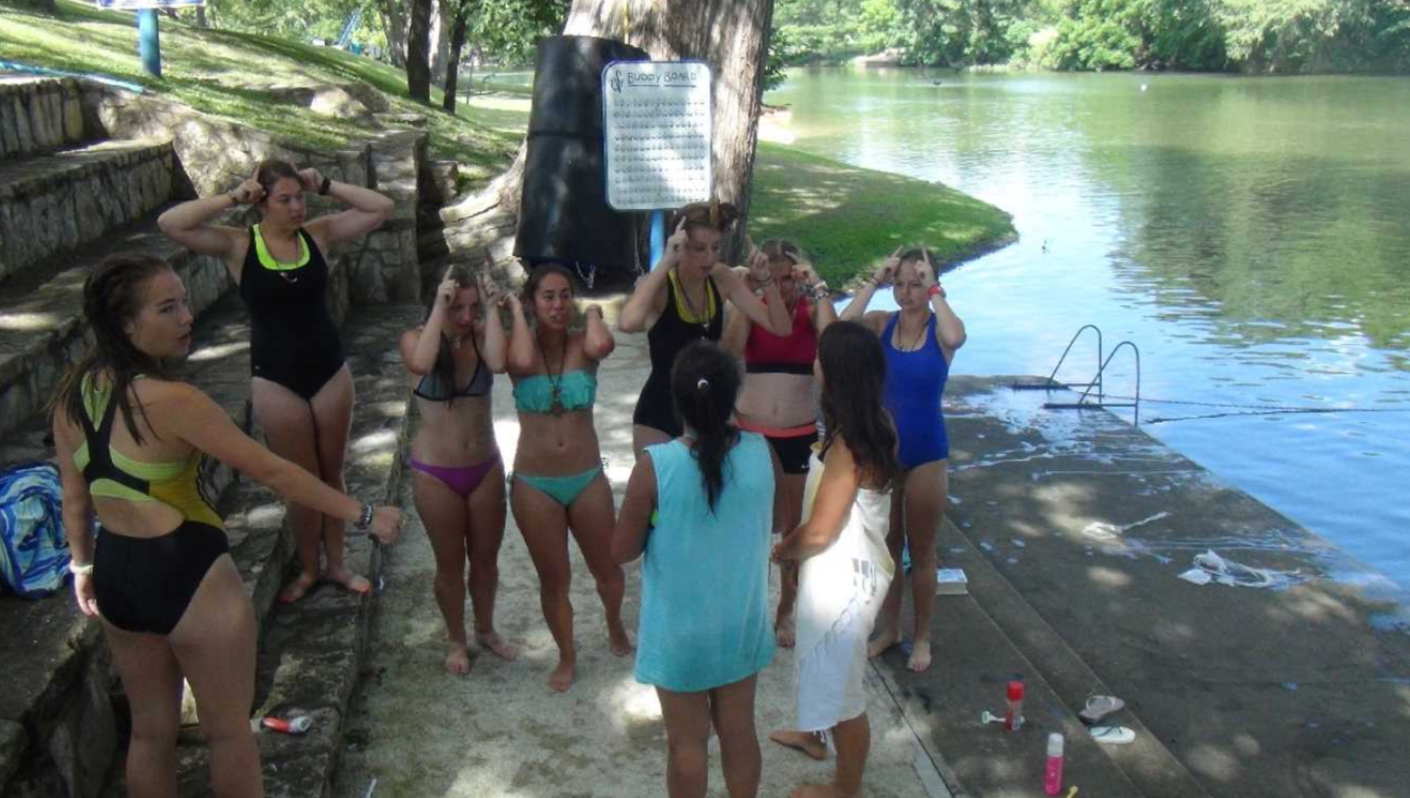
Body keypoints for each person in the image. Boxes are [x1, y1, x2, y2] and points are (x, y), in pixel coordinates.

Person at [51, 254, 402, 798]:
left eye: (184, 301)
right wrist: (364, 514)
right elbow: (272, 470)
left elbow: (76, 499)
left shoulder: (71, 395)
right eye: (167, 308)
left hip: (118, 571)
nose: (187, 316)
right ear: (126, 325)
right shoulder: (175, 401)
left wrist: (82, 567)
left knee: (149, 734)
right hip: (190, 574)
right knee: (229, 733)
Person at [158, 160, 395, 603]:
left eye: (300, 197)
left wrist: (327, 183)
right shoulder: (239, 244)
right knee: (299, 481)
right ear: (262, 202)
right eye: (285, 200)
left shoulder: (318, 235)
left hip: (329, 371)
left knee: (332, 472)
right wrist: (232, 197)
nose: (297, 207)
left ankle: (337, 564)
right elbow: (171, 224)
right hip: (275, 378)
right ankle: (309, 568)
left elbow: (381, 207)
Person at [613, 340, 780, 798]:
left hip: (680, 633)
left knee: (686, 743)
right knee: (739, 732)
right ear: (733, 396)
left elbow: (621, 550)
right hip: (740, 623)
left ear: (677, 398)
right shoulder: (762, 452)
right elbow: (779, 519)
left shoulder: (655, 466)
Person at [483, 264, 631, 692]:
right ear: (532, 302)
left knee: (608, 568)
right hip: (535, 483)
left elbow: (603, 345)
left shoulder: (585, 343)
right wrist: (513, 310)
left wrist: (593, 313)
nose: (559, 304)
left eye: (566, 295)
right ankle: (567, 654)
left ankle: (614, 622)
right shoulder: (520, 349)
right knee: (555, 579)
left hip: (586, 477)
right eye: (547, 296)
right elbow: (516, 362)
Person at [769, 321, 902, 798]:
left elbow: (822, 530)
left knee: (843, 690)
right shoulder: (875, 423)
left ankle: (845, 788)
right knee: (820, 665)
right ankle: (811, 735)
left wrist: (785, 551)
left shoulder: (850, 445)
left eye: (820, 358)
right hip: (839, 568)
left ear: (836, 372)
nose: (813, 364)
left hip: (842, 579)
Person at [839, 247, 966, 673]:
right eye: (900, 284)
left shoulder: (941, 331)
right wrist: (875, 280)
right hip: (886, 453)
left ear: (930, 285)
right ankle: (890, 628)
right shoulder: (882, 324)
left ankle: (923, 636)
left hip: (927, 453)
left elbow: (956, 338)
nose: (906, 292)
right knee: (888, 547)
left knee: (923, 550)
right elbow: (842, 327)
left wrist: (935, 290)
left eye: (916, 284)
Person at [399, 265, 518, 675]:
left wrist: (491, 308)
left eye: (472, 307)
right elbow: (421, 363)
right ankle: (456, 639)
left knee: (486, 560)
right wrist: (439, 307)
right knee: (450, 565)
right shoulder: (416, 338)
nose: (466, 317)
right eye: (457, 308)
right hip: (437, 474)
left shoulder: (482, 336)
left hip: (485, 467)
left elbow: (499, 362)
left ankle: (485, 629)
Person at [721, 239, 835, 648]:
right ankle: (747, 609)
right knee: (749, 527)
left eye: (789, 278)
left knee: (793, 529)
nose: (783, 287)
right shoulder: (753, 309)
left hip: (798, 435)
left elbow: (835, 340)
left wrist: (817, 285)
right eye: (776, 278)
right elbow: (729, 350)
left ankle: (786, 609)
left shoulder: (809, 311)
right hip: (752, 433)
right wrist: (750, 294)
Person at [618, 201, 793, 458]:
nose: (709, 257)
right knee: (661, 483)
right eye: (699, 248)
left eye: (716, 247)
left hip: (708, 412)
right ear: (679, 245)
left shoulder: (721, 278)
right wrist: (666, 263)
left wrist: (766, 280)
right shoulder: (662, 285)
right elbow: (627, 323)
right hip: (659, 412)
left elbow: (781, 327)